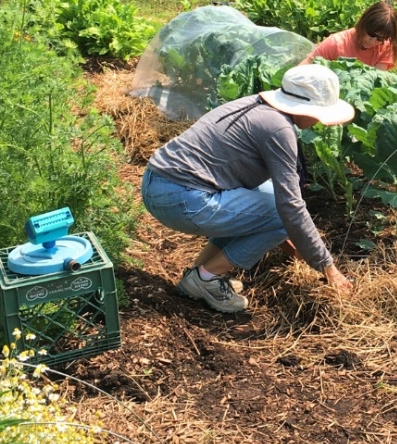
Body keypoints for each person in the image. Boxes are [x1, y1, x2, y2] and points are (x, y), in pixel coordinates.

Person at [141, 64, 355, 313]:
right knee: (279, 213)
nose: (319, 121)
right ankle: (207, 277)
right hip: (181, 198)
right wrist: (327, 266)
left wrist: (295, 241)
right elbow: (290, 208)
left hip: (158, 184)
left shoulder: (257, 105)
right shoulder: (278, 129)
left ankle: (199, 274)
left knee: (266, 195)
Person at [301, 1, 397, 71]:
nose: (372, 41)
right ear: (363, 24)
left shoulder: (387, 45)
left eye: (380, 39)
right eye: (371, 34)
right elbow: (304, 66)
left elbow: (377, 81)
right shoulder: (336, 43)